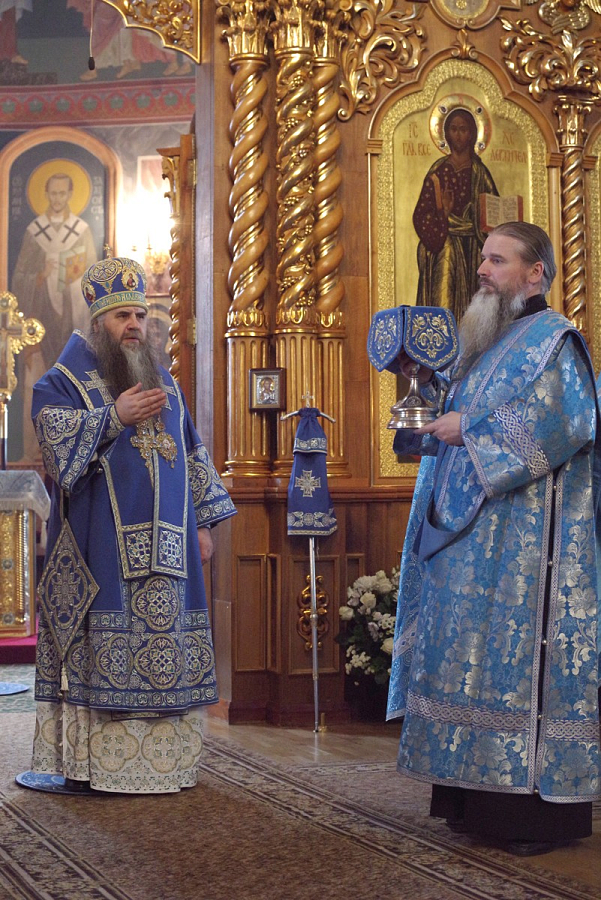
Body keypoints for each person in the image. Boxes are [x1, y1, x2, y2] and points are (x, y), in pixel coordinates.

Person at [387, 222, 600, 855]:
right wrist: (421, 387)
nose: (482, 269)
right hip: (465, 539)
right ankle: (467, 803)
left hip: (523, 548)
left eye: (497, 260)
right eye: (482, 258)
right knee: (465, 664)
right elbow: (449, 413)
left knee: (507, 670)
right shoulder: (485, 340)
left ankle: (526, 816)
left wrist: (473, 431)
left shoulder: (555, 341)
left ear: (536, 273)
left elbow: (566, 421)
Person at [29, 255, 236, 794]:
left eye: (140, 315)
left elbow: (191, 454)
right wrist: (113, 417)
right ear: (98, 322)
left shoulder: (164, 382)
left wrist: (203, 526)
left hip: (172, 553)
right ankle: (98, 769)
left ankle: (170, 767)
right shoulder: (61, 383)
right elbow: (56, 449)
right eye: (122, 316)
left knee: (170, 657)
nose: (135, 326)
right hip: (101, 553)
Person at [12, 171, 97, 461]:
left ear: (70, 195)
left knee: (72, 379)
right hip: (40, 319)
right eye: (53, 193)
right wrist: (40, 276)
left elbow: (92, 278)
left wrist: (73, 278)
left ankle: (73, 450)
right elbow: (19, 277)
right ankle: (35, 450)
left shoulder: (81, 230)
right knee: (39, 379)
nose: (58, 199)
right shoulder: (35, 231)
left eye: (63, 193)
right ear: (46, 194)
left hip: (72, 318)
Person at [413, 108, 498, 323]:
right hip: (445, 239)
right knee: (446, 277)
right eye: (453, 129)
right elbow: (421, 215)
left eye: (463, 129)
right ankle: (442, 332)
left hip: (475, 246)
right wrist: (444, 213)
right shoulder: (438, 172)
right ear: (446, 134)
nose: (458, 135)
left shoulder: (480, 173)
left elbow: (494, 210)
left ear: (472, 134)